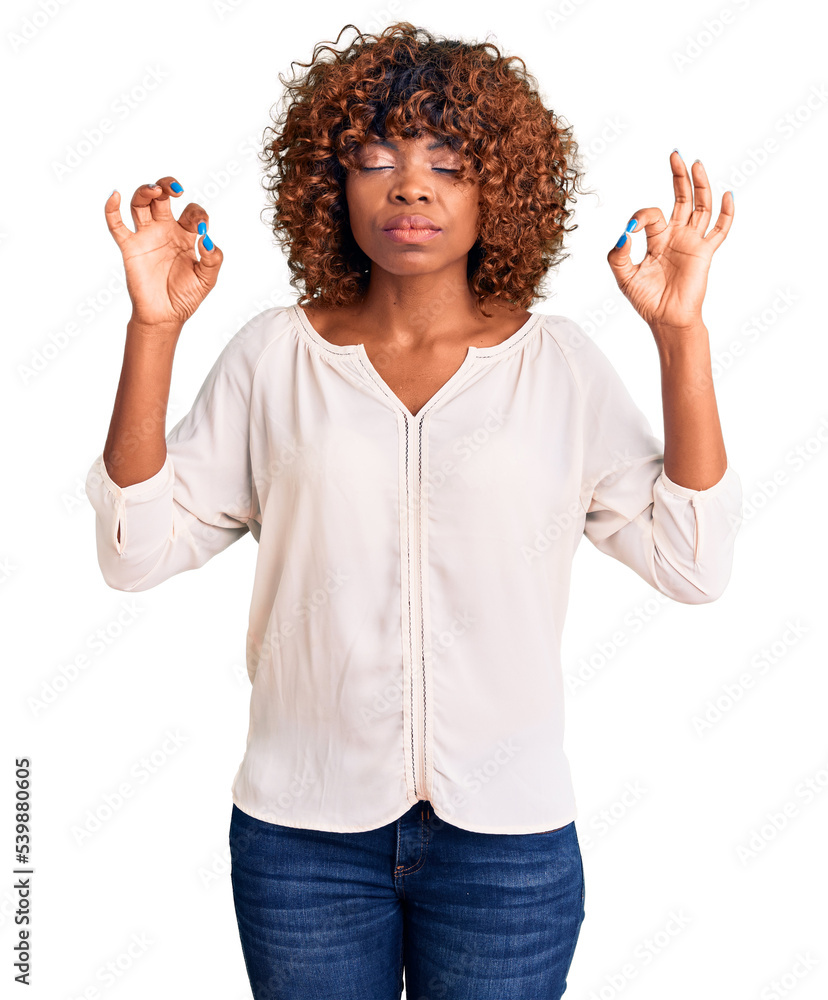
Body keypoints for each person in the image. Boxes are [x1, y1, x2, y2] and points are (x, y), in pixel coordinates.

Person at [85, 21, 742, 1000]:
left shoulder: (557, 368)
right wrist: (154, 328)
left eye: (449, 160)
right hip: (301, 840)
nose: (411, 185)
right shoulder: (275, 357)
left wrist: (679, 336)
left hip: (507, 851)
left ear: (500, 189)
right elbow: (135, 550)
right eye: (376, 158)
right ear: (330, 184)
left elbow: (694, 562)